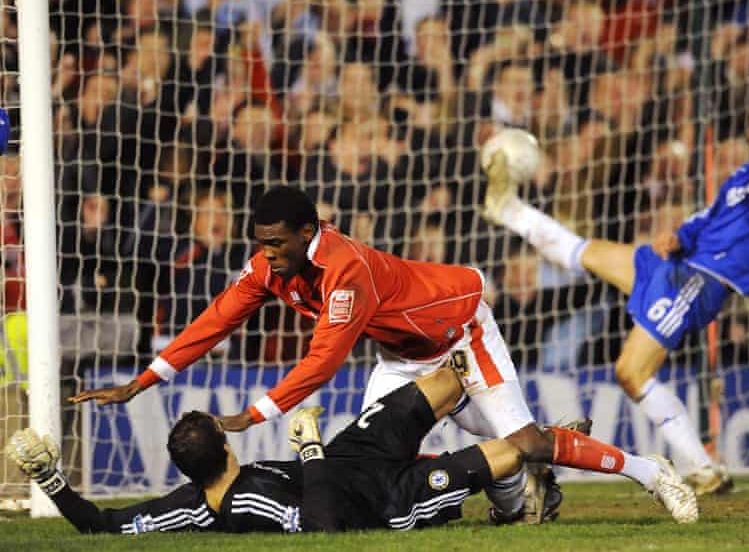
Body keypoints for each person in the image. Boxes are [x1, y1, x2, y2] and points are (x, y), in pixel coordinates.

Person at [73, 185, 651, 524]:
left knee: (516, 440)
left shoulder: (345, 271)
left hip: (459, 332)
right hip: (403, 357)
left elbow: (323, 360)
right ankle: (528, 480)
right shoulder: (269, 266)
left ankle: (554, 473)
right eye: (260, 243)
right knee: (377, 462)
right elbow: (215, 321)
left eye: (276, 243)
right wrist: (141, 381)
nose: (266, 255)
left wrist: (252, 417)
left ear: (309, 233)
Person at [481, 13, 749, 495]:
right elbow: (707, 218)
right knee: (588, 254)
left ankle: (700, 469)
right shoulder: (745, 176)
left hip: (704, 280)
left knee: (630, 371)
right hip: (680, 263)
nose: (747, 131)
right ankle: (509, 209)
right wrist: (678, 236)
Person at [8, 367, 698, 534]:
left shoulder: (185, 505)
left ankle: (524, 466)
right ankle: (524, 500)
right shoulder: (244, 502)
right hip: (384, 500)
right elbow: (324, 523)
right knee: (512, 449)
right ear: (221, 442)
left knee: (446, 375)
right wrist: (306, 448)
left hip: (352, 455)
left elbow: (104, 527)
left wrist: (50, 476)